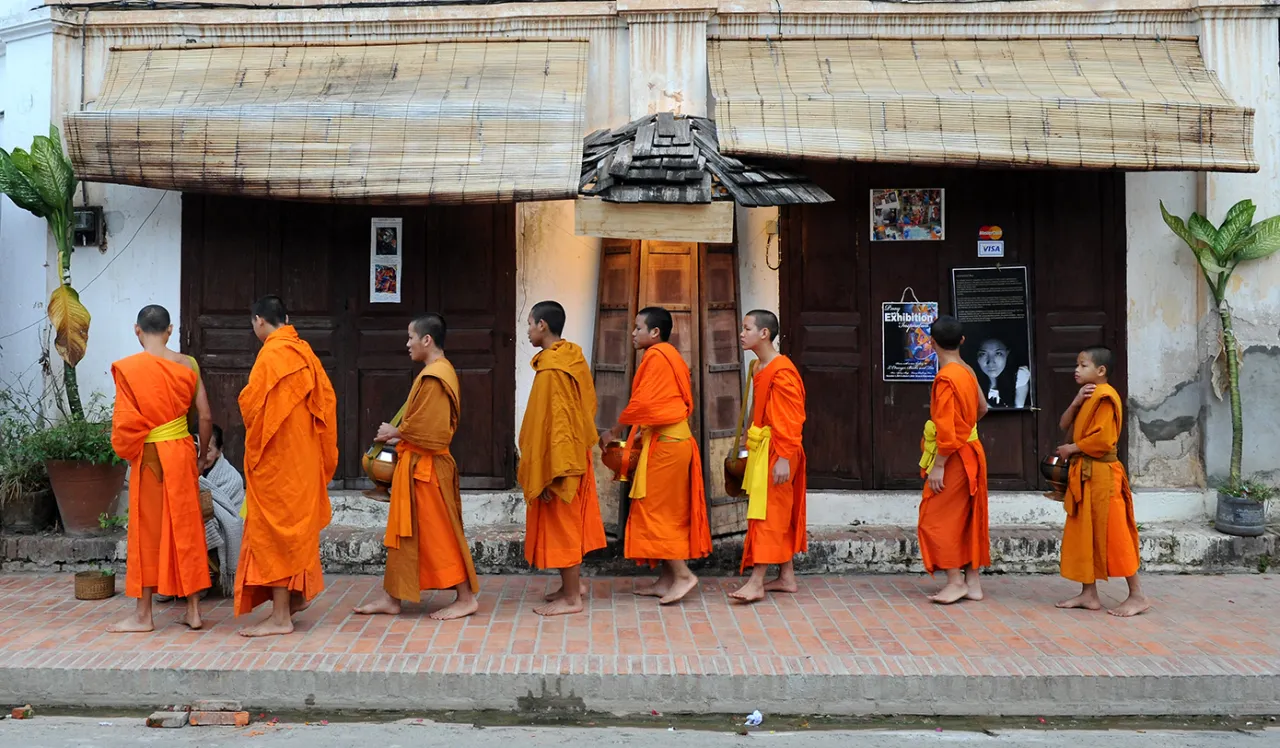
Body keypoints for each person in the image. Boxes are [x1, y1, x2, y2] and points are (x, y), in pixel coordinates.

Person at [353, 313, 480, 621]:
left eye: (411, 337)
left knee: (441, 535)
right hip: (416, 464)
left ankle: (465, 597)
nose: (407, 343)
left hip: (429, 470)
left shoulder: (438, 375)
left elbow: (435, 433)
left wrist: (394, 433)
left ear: (427, 340)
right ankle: (392, 597)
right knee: (403, 536)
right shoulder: (432, 372)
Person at [235, 295, 338, 637]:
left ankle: (281, 617)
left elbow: (252, 409)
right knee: (294, 530)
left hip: (278, 464)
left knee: (276, 533)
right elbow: (327, 407)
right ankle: (296, 597)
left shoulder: (272, 356)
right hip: (304, 461)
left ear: (259, 321)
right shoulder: (305, 354)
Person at [107, 304, 213, 632]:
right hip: (181, 451)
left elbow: (125, 422)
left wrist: (130, 446)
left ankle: (144, 616)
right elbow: (206, 416)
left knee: (147, 531)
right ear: (170, 330)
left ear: (137, 330)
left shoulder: (131, 369)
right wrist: (201, 455)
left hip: (150, 456)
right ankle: (194, 611)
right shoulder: (187, 364)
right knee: (188, 528)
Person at [599, 307, 712, 605]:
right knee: (661, 509)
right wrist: (642, 431)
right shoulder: (667, 354)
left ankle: (684, 575)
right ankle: (666, 579)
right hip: (667, 439)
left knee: (654, 510)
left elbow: (642, 403)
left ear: (655, 333)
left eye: (638, 328)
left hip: (669, 446)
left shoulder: (657, 356)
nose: (633, 333)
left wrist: (615, 430)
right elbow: (662, 404)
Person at [518, 301, 607, 616]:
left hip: (560, 457)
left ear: (542, 325)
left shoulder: (554, 369)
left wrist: (547, 469)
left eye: (529, 324)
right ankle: (572, 585)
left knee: (562, 523)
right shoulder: (571, 357)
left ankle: (572, 598)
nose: (527, 331)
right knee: (564, 521)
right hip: (571, 451)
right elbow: (586, 405)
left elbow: (555, 423)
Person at [1054, 347, 1149, 617]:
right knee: (1084, 533)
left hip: (1103, 475)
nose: (1077, 370)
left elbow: (1103, 441)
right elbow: (1064, 424)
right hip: (1086, 475)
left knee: (1114, 534)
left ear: (1101, 371)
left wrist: (1072, 449)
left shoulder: (1106, 397)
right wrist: (1075, 402)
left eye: (1083, 365)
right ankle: (1089, 593)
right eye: (1077, 364)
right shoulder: (1087, 395)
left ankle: (1137, 595)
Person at [729, 310, 808, 604]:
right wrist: (746, 438)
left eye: (747, 328)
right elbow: (756, 407)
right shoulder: (758, 366)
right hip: (764, 446)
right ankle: (786, 577)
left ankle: (757, 581)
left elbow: (791, 418)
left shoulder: (782, 369)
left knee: (767, 514)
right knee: (776, 512)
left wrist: (785, 457)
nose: (742, 333)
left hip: (780, 450)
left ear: (764, 333)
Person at [918, 315, 990, 605]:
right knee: (967, 516)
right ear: (962, 341)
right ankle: (972, 582)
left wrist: (939, 465)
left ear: (931, 342)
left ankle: (954, 580)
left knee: (937, 517)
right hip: (973, 448)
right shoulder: (967, 370)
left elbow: (947, 428)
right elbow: (983, 408)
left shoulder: (946, 377)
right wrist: (968, 428)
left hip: (955, 456)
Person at [199, 424, 244, 596]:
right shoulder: (184, 468)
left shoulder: (231, 477)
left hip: (221, 525)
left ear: (219, 451)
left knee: (197, 524)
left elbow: (225, 514)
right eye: (198, 448)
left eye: (208, 450)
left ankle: (200, 578)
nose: (202, 455)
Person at [974, 338, 1031, 409]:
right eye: (983, 354)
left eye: (998, 353)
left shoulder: (1019, 376)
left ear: (1007, 353)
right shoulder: (970, 381)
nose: (991, 362)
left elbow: (1018, 412)